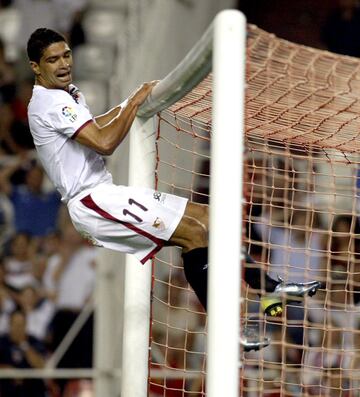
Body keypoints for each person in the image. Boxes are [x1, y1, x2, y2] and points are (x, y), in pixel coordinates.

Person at [26, 28, 321, 350]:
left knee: (210, 219)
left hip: (106, 193)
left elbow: (95, 125)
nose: (63, 64)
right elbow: (104, 142)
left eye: (66, 54)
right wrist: (136, 100)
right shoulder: (49, 103)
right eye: (52, 60)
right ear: (35, 67)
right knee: (195, 233)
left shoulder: (66, 92)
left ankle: (267, 289)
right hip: (92, 201)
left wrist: (129, 102)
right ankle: (230, 330)